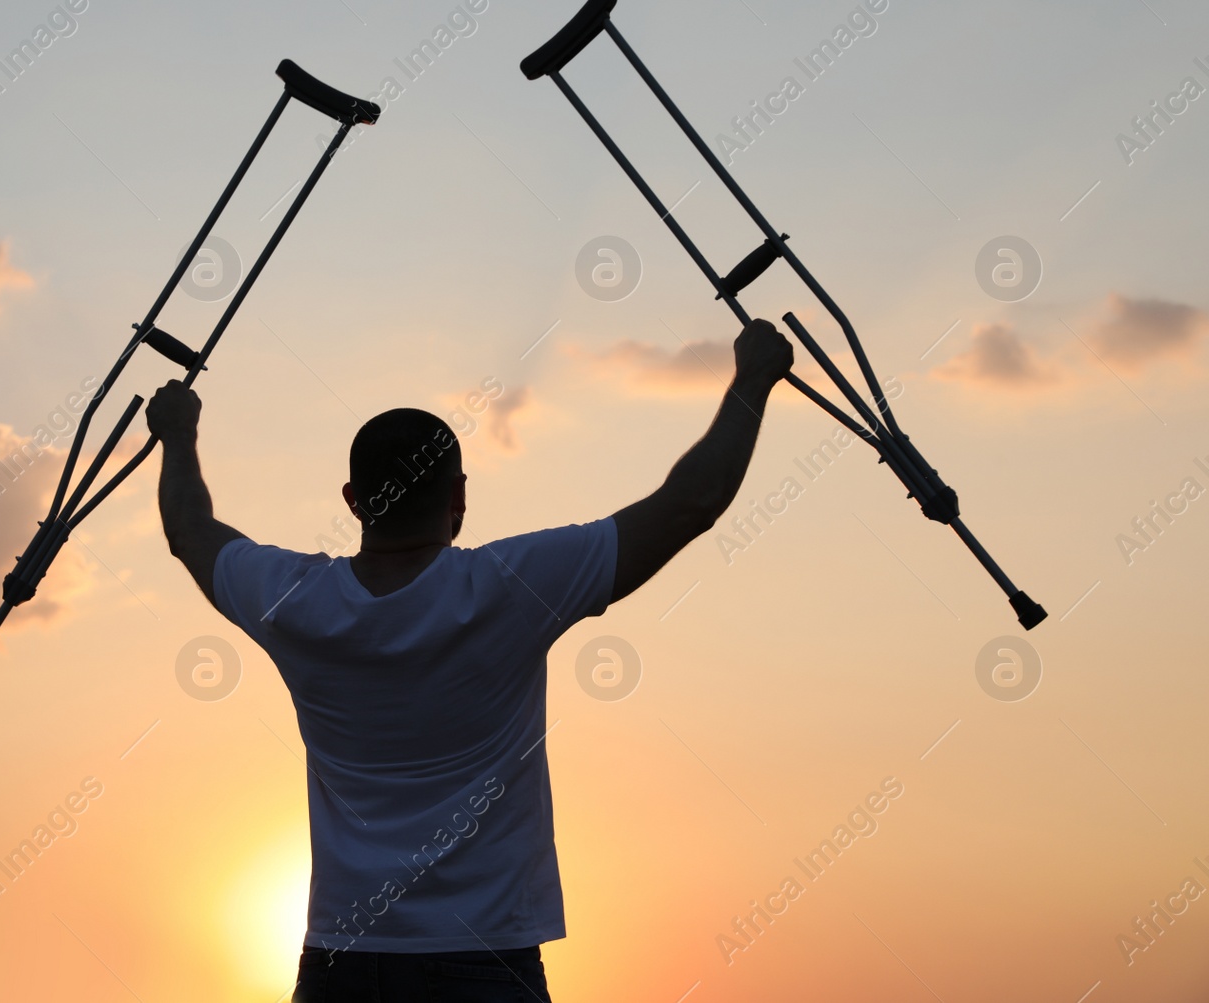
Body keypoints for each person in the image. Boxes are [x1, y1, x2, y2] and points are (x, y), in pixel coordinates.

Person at [145, 318, 794, 1002]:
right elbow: (689, 503)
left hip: (341, 963)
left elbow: (190, 530)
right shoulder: (513, 586)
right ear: (458, 497)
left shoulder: (294, 602)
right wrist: (753, 376)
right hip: (484, 961)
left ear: (353, 501)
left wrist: (178, 430)